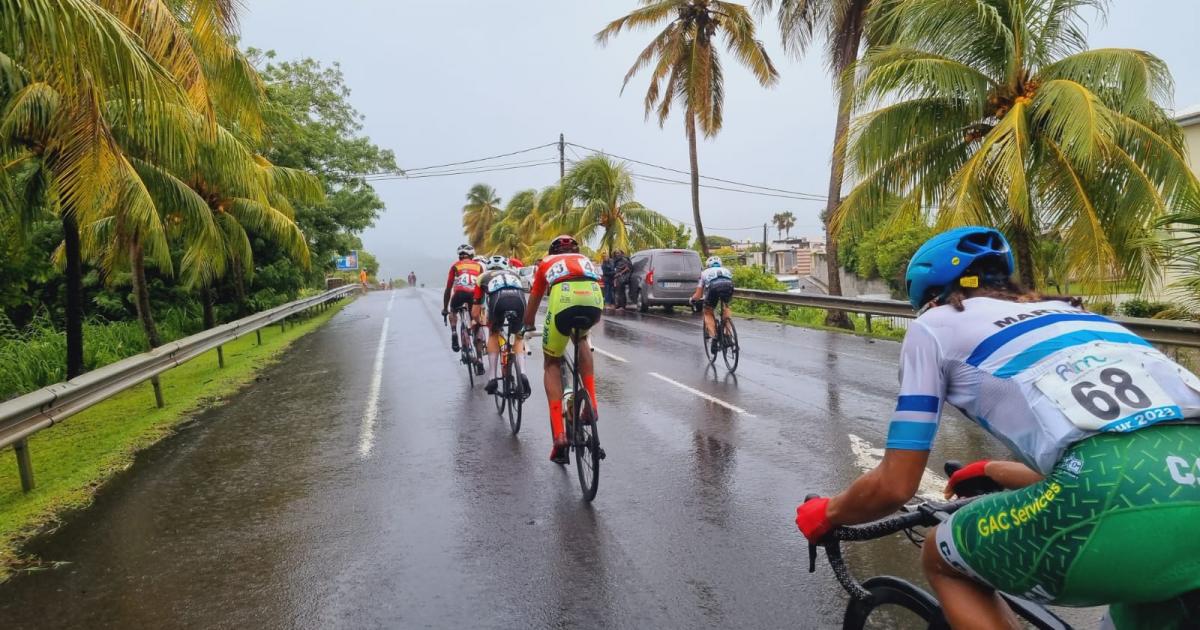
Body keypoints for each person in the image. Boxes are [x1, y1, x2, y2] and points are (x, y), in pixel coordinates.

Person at [794, 226, 1200, 629]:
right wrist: (992, 470)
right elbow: (1139, 443)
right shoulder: (1077, 315)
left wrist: (827, 514)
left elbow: (895, 485)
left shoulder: (934, 324)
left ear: (930, 296)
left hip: (1110, 489)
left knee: (941, 557)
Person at [522, 235, 604, 464]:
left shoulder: (546, 263)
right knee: (581, 339)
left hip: (563, 304)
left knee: (551, 363)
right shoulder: (585, 259)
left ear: (552, 251)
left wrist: (527, 324)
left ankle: (559, 435)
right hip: (594, 302)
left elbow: (535, 300)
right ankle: (592, 405)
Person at [471, 255, 530, 396]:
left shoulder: (482, 277)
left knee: (493, 334)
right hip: (519, 301)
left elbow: (475, 311)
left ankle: (492, 378)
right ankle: (522, 373)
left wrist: (479, 322)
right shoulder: (514, 274)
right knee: (517, 336)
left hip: (498, 301)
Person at [441, 244, 485, 375]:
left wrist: (445, 308)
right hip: (474, 295)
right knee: (476, 325)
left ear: (459, 256)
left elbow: (448, 288)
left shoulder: (455, 265)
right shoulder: (479, 266)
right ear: (472, 255)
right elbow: (483, 286)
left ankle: (454, 331)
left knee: (453, 310)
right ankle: (480, 360)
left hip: (459, 293)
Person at [690, 256, 734, 354]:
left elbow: (698, 295)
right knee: (726, 306)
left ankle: (714, 337)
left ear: (708, 265)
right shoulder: (726, 270)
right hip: (728, 285)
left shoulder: (704, 273)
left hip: (714, 288)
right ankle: (727, 335)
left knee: (708, 312)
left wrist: (692, 300)